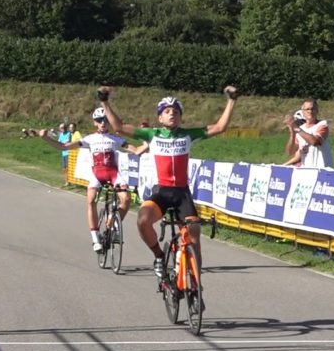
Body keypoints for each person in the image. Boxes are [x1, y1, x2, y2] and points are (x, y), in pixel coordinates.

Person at [99, 85, 239, 279]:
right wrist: (104, 102)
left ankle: (197, 286)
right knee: (142, 220)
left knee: (194, 235)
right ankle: (159, 255)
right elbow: (119, 127)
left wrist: (232, 100)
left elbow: (219, 127)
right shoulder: (152, 135)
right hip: (162, 192)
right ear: (160, 118)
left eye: (175, 111)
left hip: (182, 194)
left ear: (181, 117)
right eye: (167, 111)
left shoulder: (188, 134)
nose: (171, 114)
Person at [38, 107, 146, 252]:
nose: (103, 123)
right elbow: (63, 146)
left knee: (126, 199)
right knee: (90, 200)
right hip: (97, 174)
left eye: (106, 120)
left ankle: (113, 223)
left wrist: (149, 141)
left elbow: (137, 151)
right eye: (100, 120)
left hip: (113, 174)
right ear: (95, 122)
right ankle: (95, 238)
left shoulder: (116, 138)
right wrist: (46, 138)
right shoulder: (89, 139)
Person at [283, 98, 333, 168]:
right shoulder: (301, 130)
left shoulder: (323, 124)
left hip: (323, 171)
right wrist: (292, 133)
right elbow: (290, 152)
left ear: (317, 111)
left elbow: (315, 142)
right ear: (303, 111)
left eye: (313, 109)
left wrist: (297, 129)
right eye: (307, 109)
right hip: (306, 171)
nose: (310, 111)